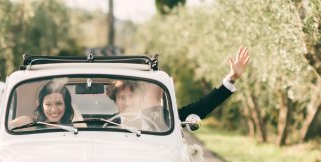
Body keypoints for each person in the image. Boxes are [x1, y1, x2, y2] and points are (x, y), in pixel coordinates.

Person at [106, 46, 251, 127]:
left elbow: (202, 107)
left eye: (131, 96)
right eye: (121, 97)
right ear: (115, 100)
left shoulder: (162, 119)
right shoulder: (105, 125)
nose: (128, 102)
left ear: (140, 97)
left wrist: (231, 78)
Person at [0, 80, 76, 140]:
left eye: (59, 103)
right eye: (48, 104)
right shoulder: (28, 123)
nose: (54, 109)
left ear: (66, 105)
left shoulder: (76, 128)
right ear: (41, 105)